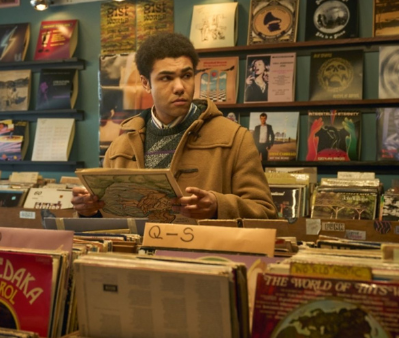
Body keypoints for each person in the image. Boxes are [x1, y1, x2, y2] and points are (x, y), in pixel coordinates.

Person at [73, 32, 276, 220]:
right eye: (166, 78)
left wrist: (217, 206)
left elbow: (265, 212)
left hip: (203, 256)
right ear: (146, 83)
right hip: (137, 257)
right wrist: (89, 210)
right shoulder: (119, 148)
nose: (179, 87)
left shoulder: (235, 138)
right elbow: (109, 221)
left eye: (186, 76)